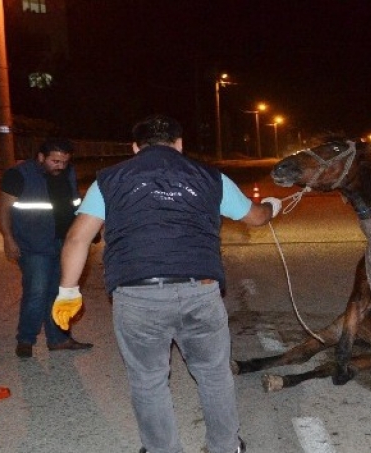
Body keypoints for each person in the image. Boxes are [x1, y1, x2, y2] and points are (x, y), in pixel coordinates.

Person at [53, 115, 281, 453]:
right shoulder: (210, 177)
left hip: (137, 294)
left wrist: (68, 291)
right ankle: (225, 447)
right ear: (179, 144)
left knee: (148, 380)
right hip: (199, 291)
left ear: (134, 147)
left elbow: (77, 239)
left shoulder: (110, 180)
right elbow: (256, 217)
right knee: (213, 375)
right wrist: (272, 206)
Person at [0, 138, 94, 358]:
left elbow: (74, 204)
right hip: (34, 245)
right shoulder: (19, 174)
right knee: (37, 292)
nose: (60, 165)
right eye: (55, 161)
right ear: (41, 157)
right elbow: (3, 208)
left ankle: (58, 339)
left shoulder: (68, 173)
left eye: (64, 162)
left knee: (60, 292)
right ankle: (26, 340)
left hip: (65, 243)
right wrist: (8, 238)